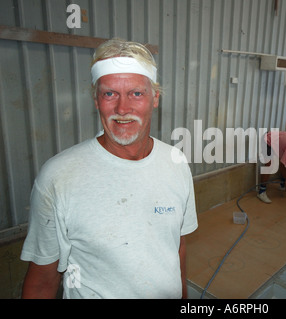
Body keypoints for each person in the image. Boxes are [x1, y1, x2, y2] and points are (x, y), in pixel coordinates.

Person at [20, 38, 198, 299]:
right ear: (96, 101)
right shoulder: (58, 178)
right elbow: (42, 280)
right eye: (109, 93)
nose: (122, 109)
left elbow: (176, 246)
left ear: (155, 99)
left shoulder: (176, 162)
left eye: (136, 93)